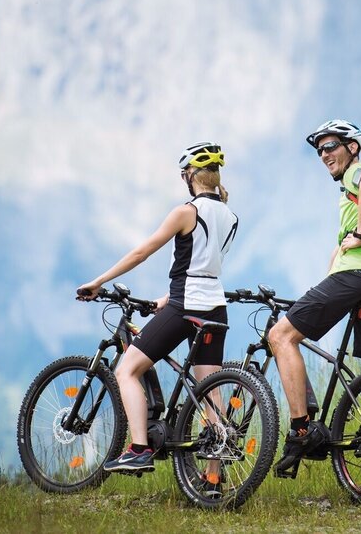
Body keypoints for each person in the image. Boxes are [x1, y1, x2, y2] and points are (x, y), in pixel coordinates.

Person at [76, 141, 238, 478]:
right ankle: (213, 480)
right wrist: (166, 297)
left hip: (186, 307)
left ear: (189, 176)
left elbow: (142, 252)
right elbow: (204, 265)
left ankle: (138, 449)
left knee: (127, 371)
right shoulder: (230, 215)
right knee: (209, 393)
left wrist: (99, 280)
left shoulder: (186, 211)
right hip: (215, 307)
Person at [267, 119, 361, 485]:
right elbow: (339, 250)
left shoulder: (359, 173)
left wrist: (360, 236)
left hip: (357, 276)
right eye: (320, 150)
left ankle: (300, 430)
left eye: (331, 146)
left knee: (281, 336)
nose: (324, 154)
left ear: (353, 147)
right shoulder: (355, 192)